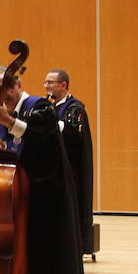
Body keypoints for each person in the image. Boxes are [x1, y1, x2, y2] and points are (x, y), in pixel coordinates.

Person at [0, 68, 89, 274]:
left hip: (46, 196)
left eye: (3, 88)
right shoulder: (4, 114)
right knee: (21, 254)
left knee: (44, 254)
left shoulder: (40, 106)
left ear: (17, 85)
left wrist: (8, 122)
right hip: (18, 195)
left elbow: (41, 133)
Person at [45, 68, 94, 255]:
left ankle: (73, 249)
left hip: (71, 170)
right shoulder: (49, 106)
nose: (46, 86)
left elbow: (74, 136)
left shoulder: (75, 108)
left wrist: (52, 123)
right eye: (45, 82)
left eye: (50, 82)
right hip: (53, 170)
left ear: (63, 85)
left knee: (71, 210)